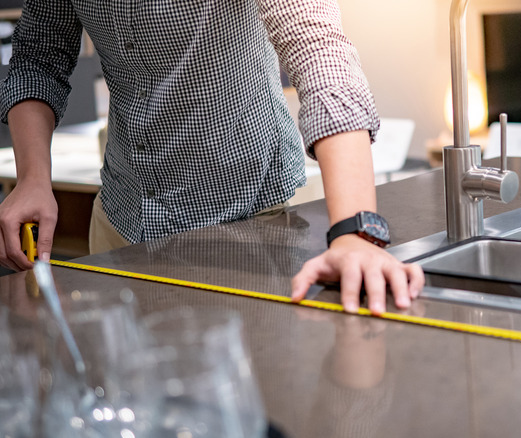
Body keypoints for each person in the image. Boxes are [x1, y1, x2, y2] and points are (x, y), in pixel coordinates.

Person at [0, 0, 424, 314]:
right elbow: (37, 56)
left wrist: (355, 232)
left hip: (248, 226)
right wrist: (33, 178)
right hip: (122, 218)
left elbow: (319, 52)